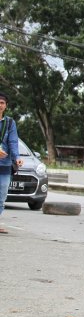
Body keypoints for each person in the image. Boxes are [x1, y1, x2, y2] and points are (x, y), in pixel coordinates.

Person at [0, 92, 23, 234]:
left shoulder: (9, 123)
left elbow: (13, 142)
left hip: (5, 166)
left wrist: (17, 158)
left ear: (6, 106)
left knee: (2, 195)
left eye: (2, 103)